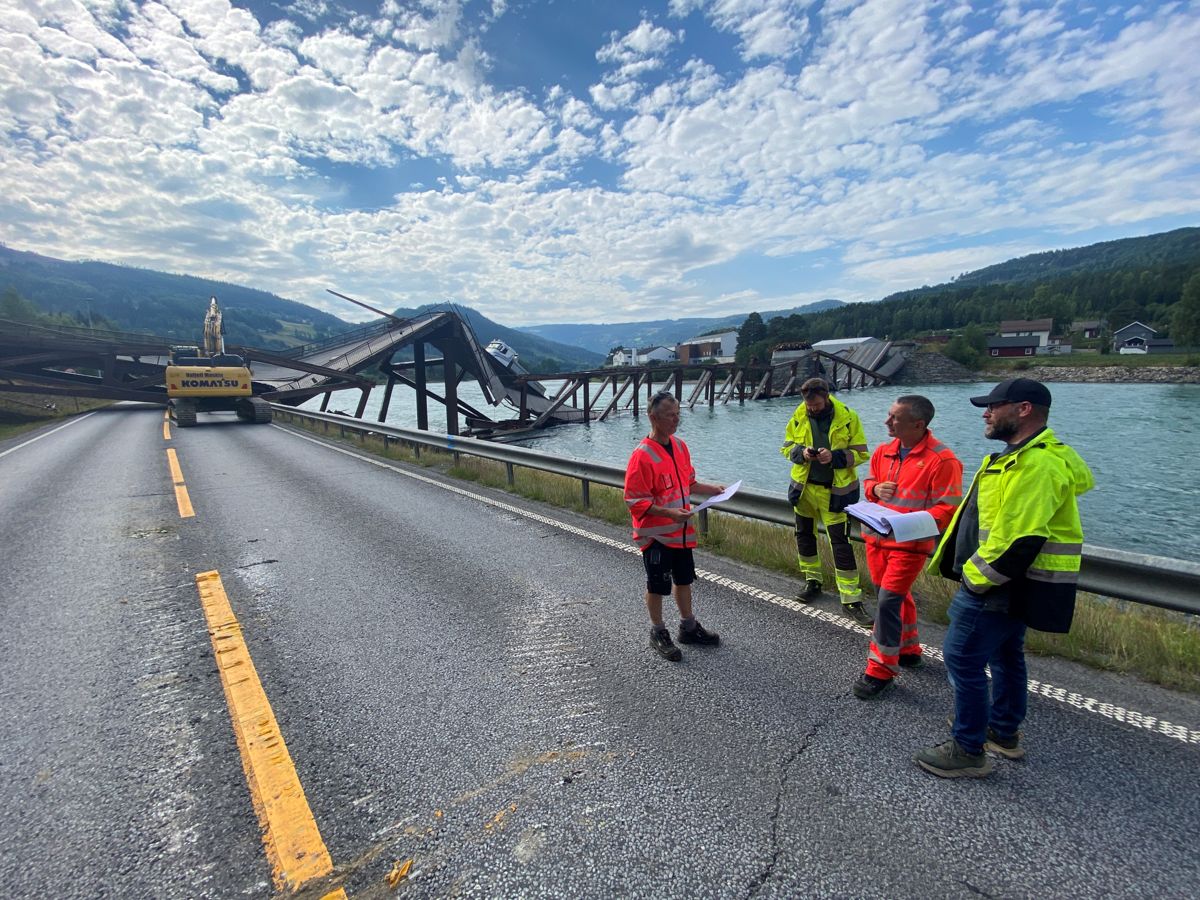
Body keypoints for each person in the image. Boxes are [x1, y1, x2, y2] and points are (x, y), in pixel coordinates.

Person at [913, 378, 1093, 778]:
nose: (986, 412)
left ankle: (967, 749)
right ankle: (1002, 732)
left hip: (997, 585)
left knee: (962, 659)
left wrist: (976, 581)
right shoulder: (1019, 457)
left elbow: (1021, 538)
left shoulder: (1037, 465)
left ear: (1024, 409)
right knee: (1006, 655)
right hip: (1014, 585)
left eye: (994, 405)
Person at [853, 395, 963, 700]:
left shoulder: (943, 461)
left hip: (908, 544)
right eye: (889, 415)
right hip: (876, 539)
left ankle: (881, 669)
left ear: (918, 424)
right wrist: (874, 489)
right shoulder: (883, 451)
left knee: (888, 601)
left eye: (894, 418)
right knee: (892, 595)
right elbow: (869, 483)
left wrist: (908, 525)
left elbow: (948, 509)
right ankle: (909, 648)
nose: (887, 422)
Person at [624, 390, 727, 661]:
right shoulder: (642, 455)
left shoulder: (680, 446)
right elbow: (634, 501)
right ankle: (658, 631)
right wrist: (668, 513)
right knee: (657, 584)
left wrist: (712, 489)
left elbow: (689, 483)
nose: (675, 420)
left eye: (678, 414)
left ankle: (688, 627)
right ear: (653, 417)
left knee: (684, 579)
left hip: (680, 532)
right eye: (670, 415)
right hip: (656, 534)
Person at [780, 377, 873, 628]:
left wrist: (836, 456)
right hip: (804, 488)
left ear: (827, 396)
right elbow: (787, 447)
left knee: (840, 544)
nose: (813, 409)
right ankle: (812, 582)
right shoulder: (799, 414)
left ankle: (851, 599)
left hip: (835, 491)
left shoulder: (848, 416)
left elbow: (862, 452)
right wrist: (803, 453)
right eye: (809, 406)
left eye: (817, 405)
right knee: (804, 536)